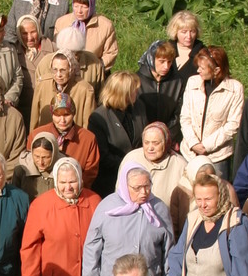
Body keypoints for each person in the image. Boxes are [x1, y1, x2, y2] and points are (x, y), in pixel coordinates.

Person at [20, 157, 100, 276]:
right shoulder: (42, 204)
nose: (68, 187)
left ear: (80, 179)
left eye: (72, 181)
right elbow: (30, 246)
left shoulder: (95, 201)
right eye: (62, 182)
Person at [83, 159, 174, 276]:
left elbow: (169, 252)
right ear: (125, 186)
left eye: (147, 186)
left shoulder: (159, 209)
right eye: (137, 188)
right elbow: (92, 248)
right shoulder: (107, 206)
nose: (144, 192)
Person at [180, 45, 245, 179]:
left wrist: (206, 146)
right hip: (190, 153)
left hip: (218, 156)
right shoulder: (192, 82)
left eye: (202, 68)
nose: (198, 70)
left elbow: (233, 124)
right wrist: (194, 144)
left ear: (216, 70)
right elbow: (185, 117)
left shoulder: (235, 89)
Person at [123, 122, 192, 238]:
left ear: (166, 143)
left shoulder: (180, 165)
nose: (150, 148)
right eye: (146, 143)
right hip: (132, 227)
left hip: (166, 228)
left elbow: (186, 209)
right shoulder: (131, 159)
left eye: (155, 143)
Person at [88, 70, 144, 198]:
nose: (137, 93)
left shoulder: (139, 108)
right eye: (134, 90)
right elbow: (103, 155)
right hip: (111, 180)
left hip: (137, 176)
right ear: (123, 93)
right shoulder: (98, 118)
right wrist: (129, 164)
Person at [30, 92, 100, 188]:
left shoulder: (88, 139)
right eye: (57, 115)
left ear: (73, 113)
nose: (62, 120)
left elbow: (90, 172)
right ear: (52, 115)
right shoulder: (36, 135)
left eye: (67, 115)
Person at [29, 49, 96, 130]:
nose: (58, 75)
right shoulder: (42, 84)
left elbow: (87, 126)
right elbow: (34, 118)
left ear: (71, 69)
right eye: (55, 70)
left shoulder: (85, 90)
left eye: (63, 70)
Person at [137, 9, 205, 87]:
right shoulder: (164, 49)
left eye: (192, 31)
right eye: (184, 32)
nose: (188, 36)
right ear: (175, 31)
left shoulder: (203, 53)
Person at [55, 0, 118, 71]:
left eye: (84, 7)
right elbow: (55, 48)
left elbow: (111, 52)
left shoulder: (105, 25)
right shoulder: (62, 22)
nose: (79, 11)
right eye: (76, 6)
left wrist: (97, 68)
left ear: (91, 6)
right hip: (66, 71)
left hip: (93, 70)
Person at [13, 131, 58, 202]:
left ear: (54, 154)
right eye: (36, 156)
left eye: (46, 157)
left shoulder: (63, 169)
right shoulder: (21, 169)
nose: (40, 162)